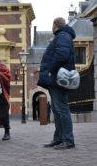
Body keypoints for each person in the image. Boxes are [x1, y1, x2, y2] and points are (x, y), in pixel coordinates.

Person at [38, 17, 76, 150]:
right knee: (56, 109)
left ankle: (68, 139)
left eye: (52, 25)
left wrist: (50, 70)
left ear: (55, 26)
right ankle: (59, 138)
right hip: (56, 78)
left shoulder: (63, 36)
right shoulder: (62, 36)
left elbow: (62, 54)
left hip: (58, 77)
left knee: (62, 108)